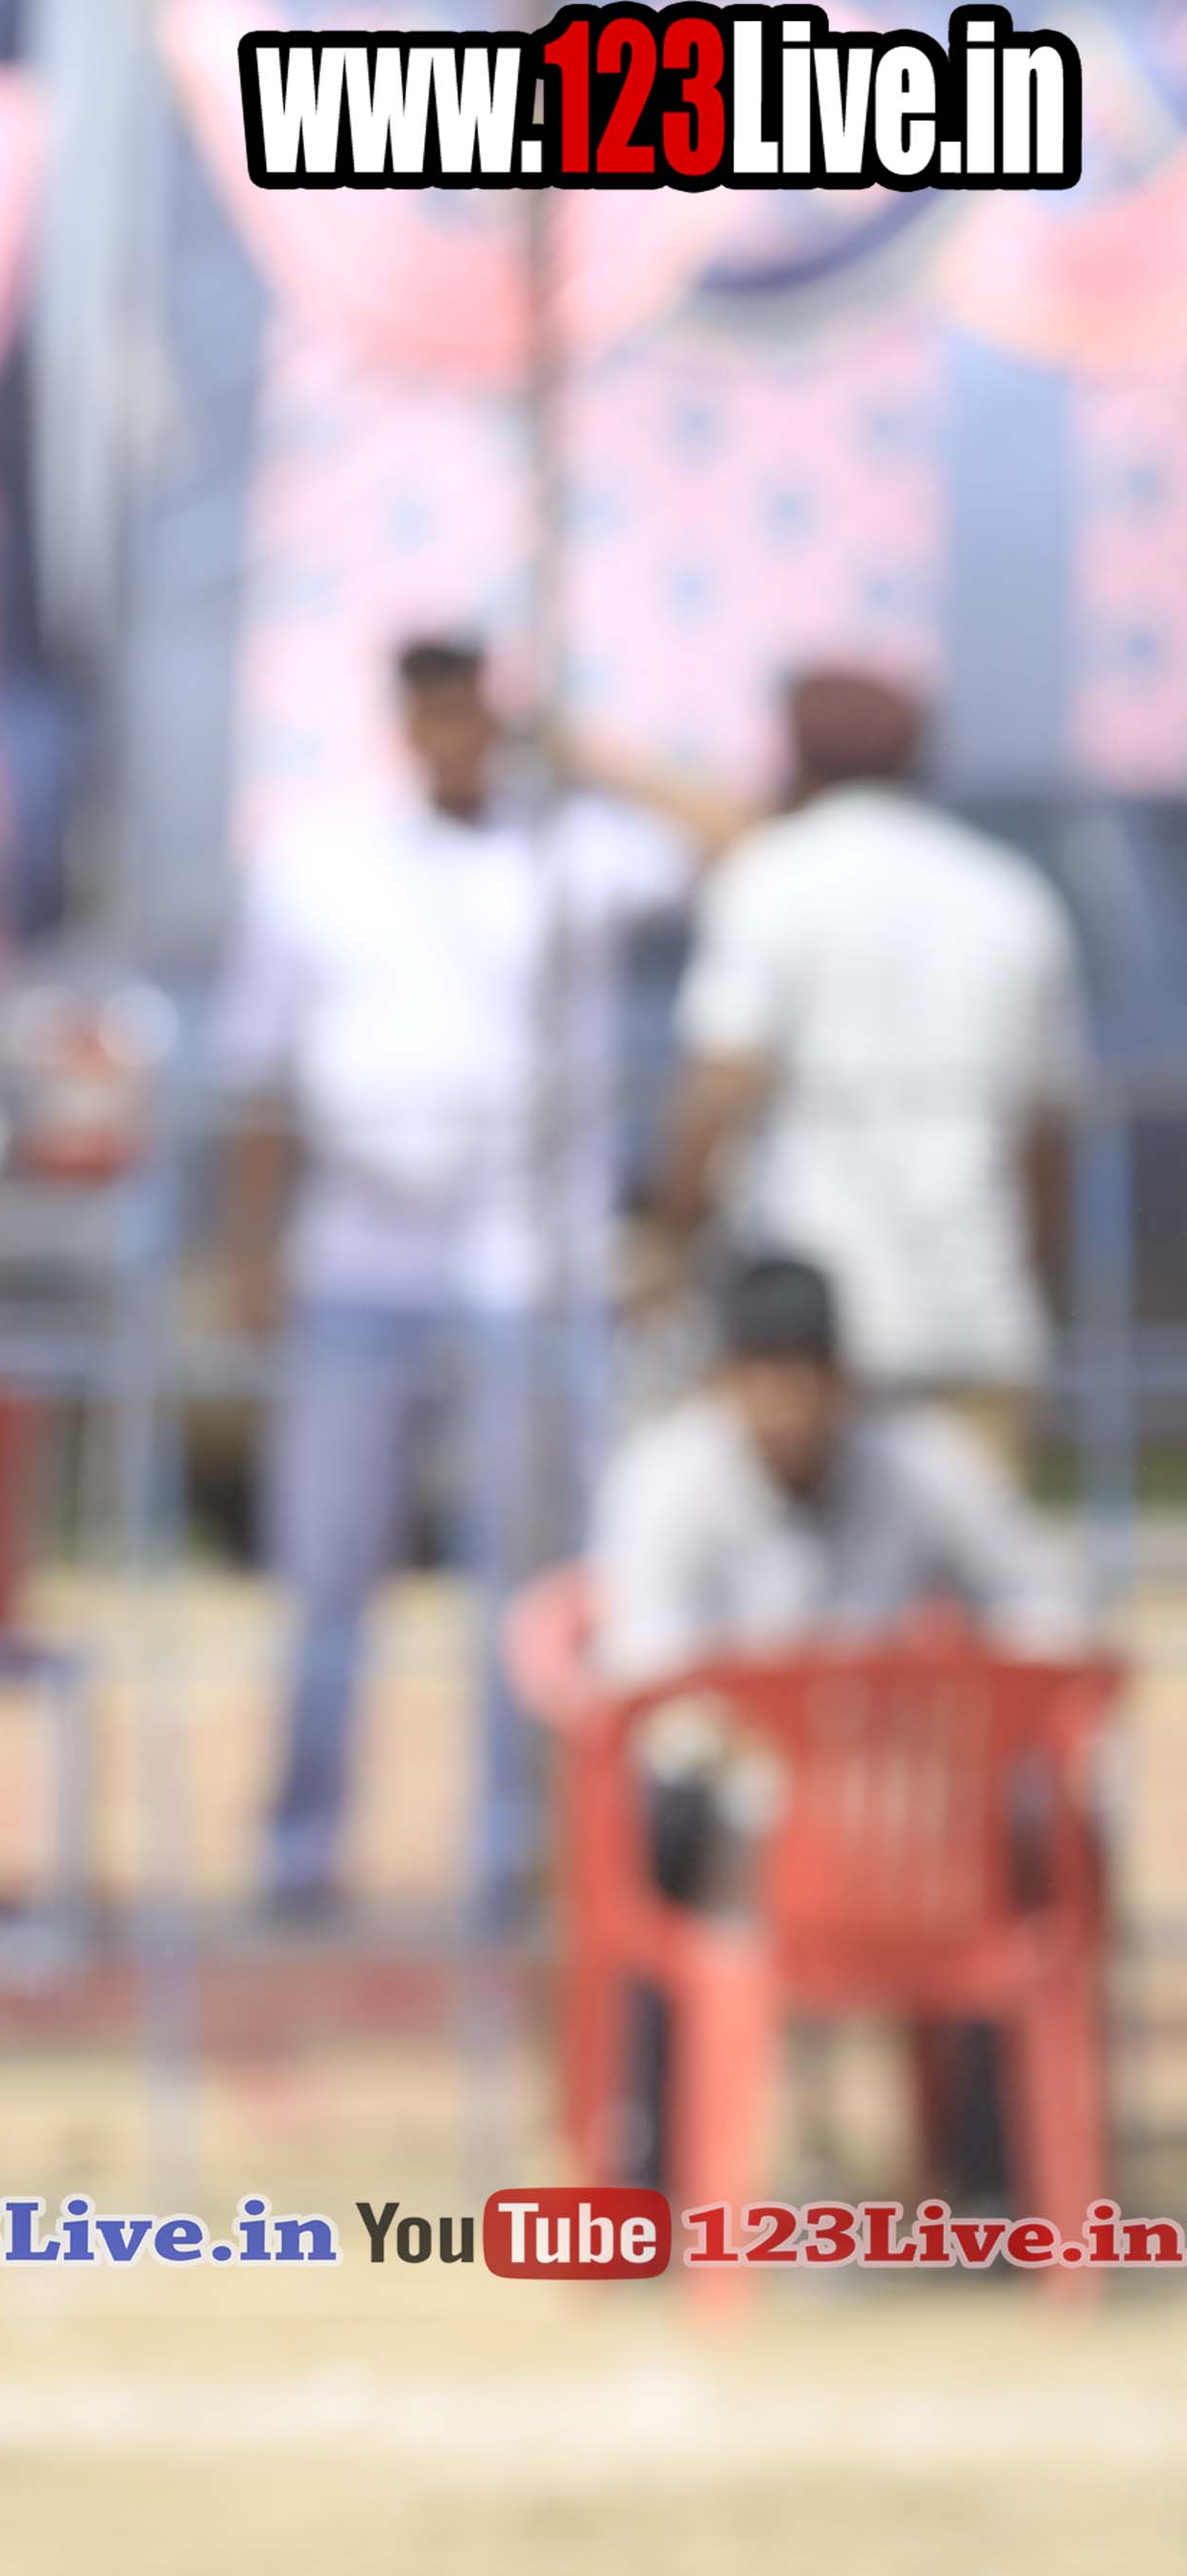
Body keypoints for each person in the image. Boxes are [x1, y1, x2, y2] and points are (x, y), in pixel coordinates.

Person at [206, 633, 729, 1922]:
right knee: (328, 1575)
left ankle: (515, 1859)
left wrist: (591, 755)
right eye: (431, 713)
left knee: (529, 1578)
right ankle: (299, 1856)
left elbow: (743, 845)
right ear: (401, 723)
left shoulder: (571, 852)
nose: (452, 737)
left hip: (530, 1271)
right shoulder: (319, 863)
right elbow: (259, 1077)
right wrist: (250, 1251)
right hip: (357, 1264)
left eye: (472, 714)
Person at [585, 1251, 1083, 2191]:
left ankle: (993, 2181)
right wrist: (774, 1750)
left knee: (1031, 1831)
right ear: (723, 1382)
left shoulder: (921, 1462)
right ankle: (654, 2166)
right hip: (740, 1806)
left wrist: (979, 1711)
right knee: (655, 1824)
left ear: (844, 1382)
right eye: (763, 1381)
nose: (787, 1409)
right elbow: (646, 1676)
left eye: (806, 1381)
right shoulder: (667, 1478)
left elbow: (1047, 1601)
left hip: (907, 1810)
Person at [648, 667, 1088, 1473]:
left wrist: (672, 1244)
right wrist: (1039, 1279)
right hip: (974, 1320)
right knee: (971, 1558)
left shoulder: (772, 879)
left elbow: (719, 1087)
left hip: (802, 1344)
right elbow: (1048, 1142)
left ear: (797, 758)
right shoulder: (1012, 896)